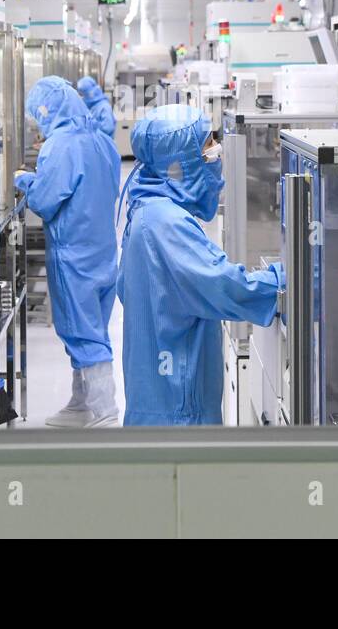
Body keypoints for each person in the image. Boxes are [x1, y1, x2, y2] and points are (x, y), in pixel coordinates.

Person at [116, 104, 284, 425]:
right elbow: (225, 288)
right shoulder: (167, 224)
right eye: (207, 146)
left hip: (158, 403)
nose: (216, 153)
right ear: (177, 165)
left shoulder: (148, 209)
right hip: (178, 412)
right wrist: (293, 279)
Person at [15, 76, 122, 427]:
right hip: (103, 252)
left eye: (38, 116)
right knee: (95, 328)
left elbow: (45, 201)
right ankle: (82, 403)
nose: (39, 124)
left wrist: (25, 180)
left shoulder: (60, 146)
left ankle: (104, 412)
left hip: (73, 256)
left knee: (82, 333)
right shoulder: (102, 141)